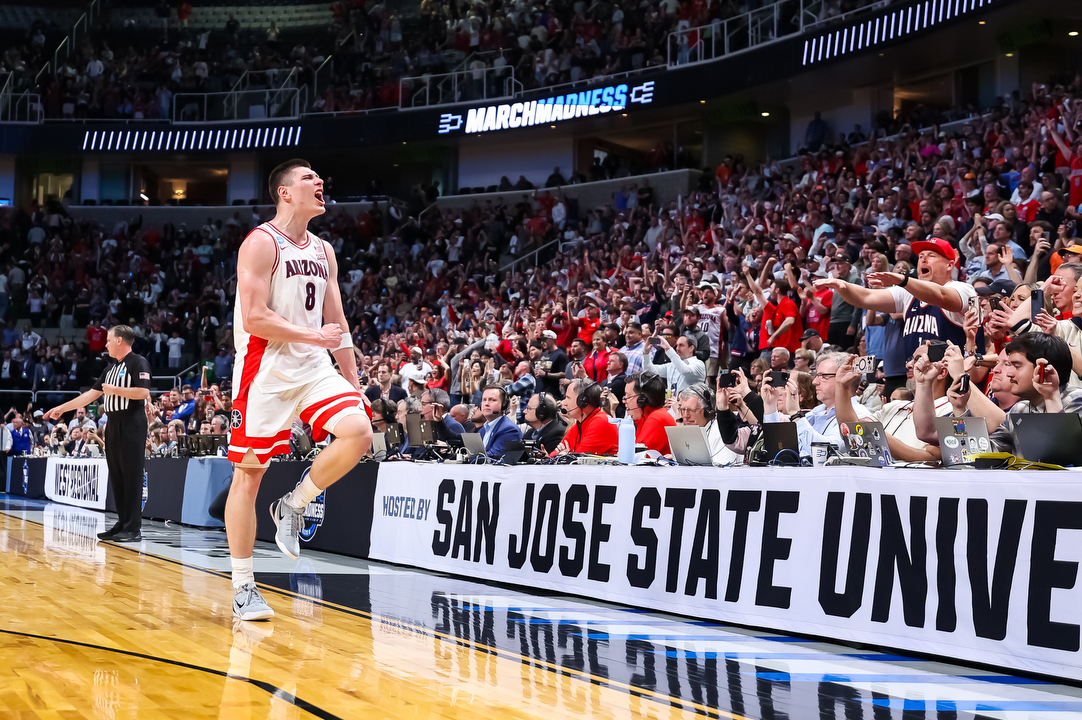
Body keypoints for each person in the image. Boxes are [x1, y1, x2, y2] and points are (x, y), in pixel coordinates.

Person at [225, 159, 372, 622]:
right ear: (285, 192)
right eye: (309, 178)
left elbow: (338, 323)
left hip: (312, 365)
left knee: (359, 431)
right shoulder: (260, 243)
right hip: (264, 369)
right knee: (248, 476)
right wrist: (316, 337)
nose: (320, 182)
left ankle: (292, 505)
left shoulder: (324, 249)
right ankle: (243, 587)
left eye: (320, 178)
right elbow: (255, 318)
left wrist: (353, 381)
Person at [44, 325, 151, 542]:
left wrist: (116, 391)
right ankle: (122, 523)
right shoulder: (110, 368)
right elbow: (90, 395)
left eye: (109, 340)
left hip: (132, 421)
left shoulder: (138, 362)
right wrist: (62, 408)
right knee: (118, 474)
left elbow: (144, 392)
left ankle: (133, 528)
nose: (106, 344)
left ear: (120, 340)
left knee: (131, 474)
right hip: (113, 423)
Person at [814, 238, 977, 356]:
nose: (923, 260)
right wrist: (842, 286)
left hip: (956, 384)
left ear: (950, 265)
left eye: (931, 255)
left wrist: (904, 280)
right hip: (920, 380)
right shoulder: (908, 293)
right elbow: (866, 297)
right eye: (920, 256)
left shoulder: (964, 289)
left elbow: (941, 296)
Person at [677, 383, 743, 464]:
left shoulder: (721, 433)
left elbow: (724, 469)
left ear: (708, 411)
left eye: (692, 410)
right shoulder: (689, 431)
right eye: (683, 410)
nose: (686, 416)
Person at [553, 379, 618, 456]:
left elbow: (578, 461)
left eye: (568, 398)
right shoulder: (576, 427)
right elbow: (552, 456)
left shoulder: (601, 421)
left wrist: (565, 455)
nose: (563, 402)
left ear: (582, 402)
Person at [643, 330, 706, 403]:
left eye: (681, 345)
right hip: (671, 409)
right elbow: (649, 370)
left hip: (690, 410)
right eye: (677, 345)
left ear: (691, 348)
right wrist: (646, 353)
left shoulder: (699, 364)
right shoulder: (672, 365)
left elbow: (684, 370)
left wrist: (668, 349)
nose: (677, 348)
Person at [623, 372, 676, 454]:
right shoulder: (647, 418)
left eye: (628, 396)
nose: (624, 401)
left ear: (642, 400)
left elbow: (638, 458)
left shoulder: (656, 418)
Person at [477, 386, 523, 458]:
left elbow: (494, 456)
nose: (486, 403)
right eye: (484, 400)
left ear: (504, 404)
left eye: (492, 400)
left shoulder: (509, 429)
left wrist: (470, 456)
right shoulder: (482, 430)